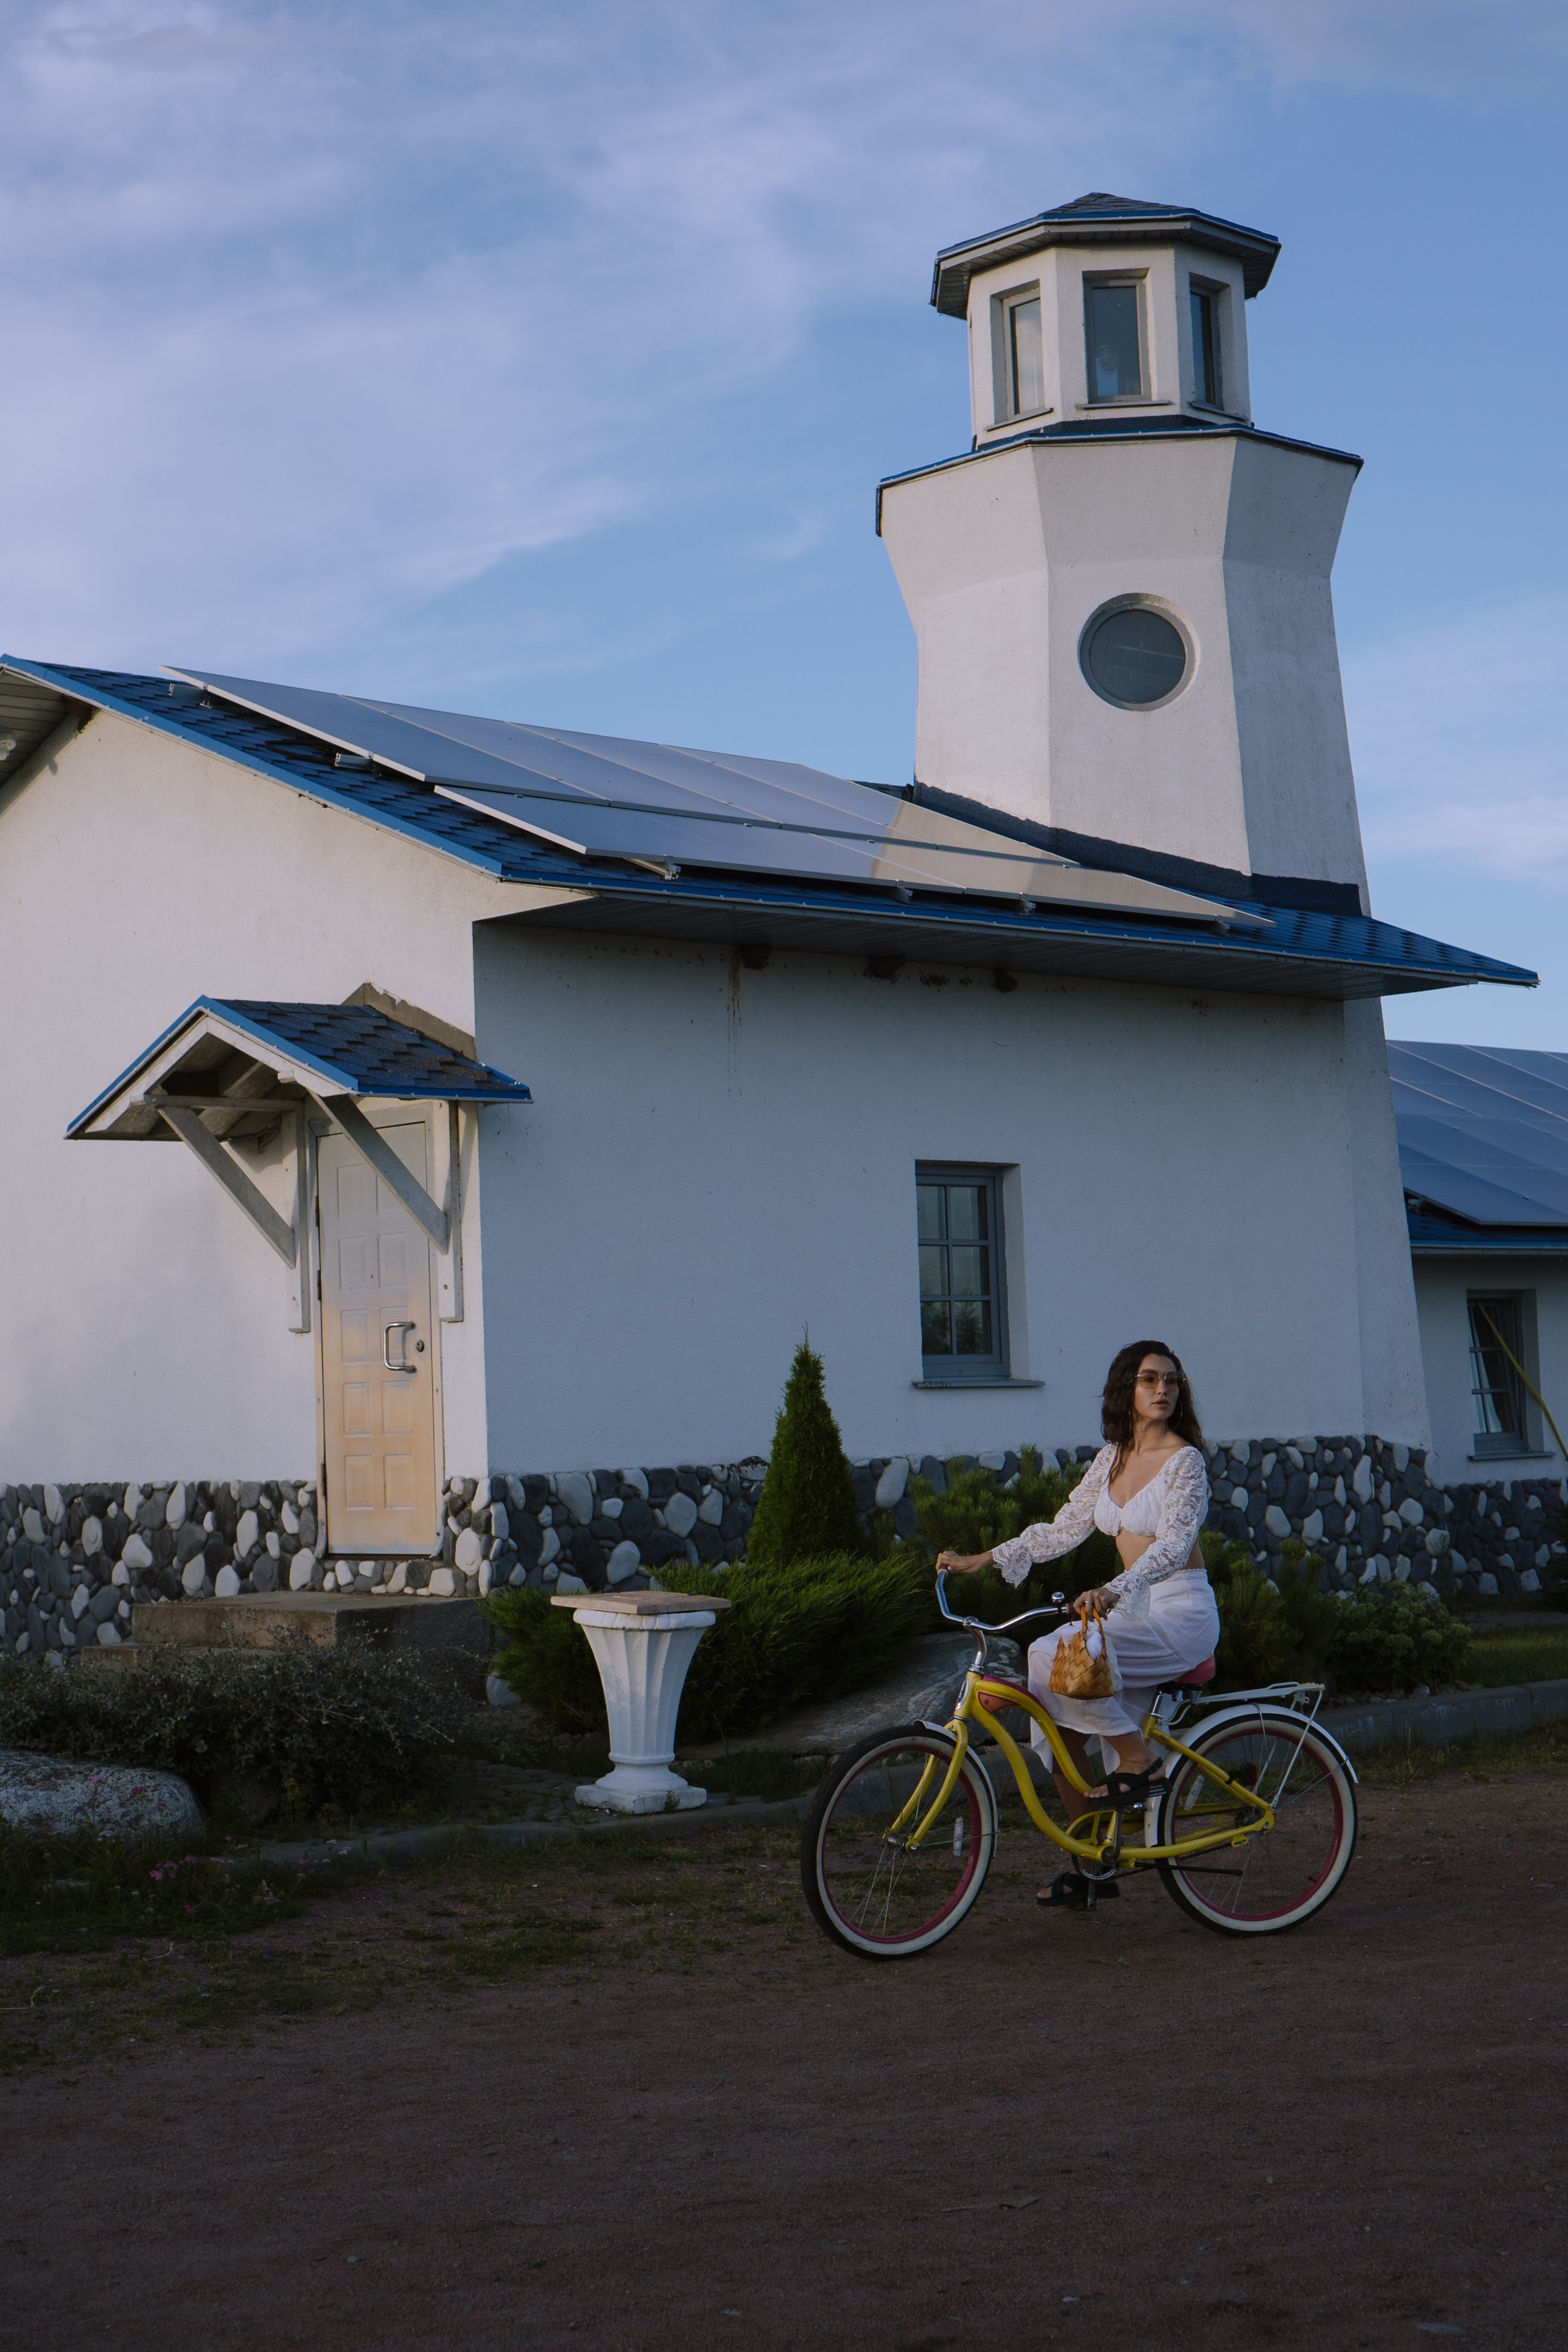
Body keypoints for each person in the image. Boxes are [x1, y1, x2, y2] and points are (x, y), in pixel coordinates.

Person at [935, 1340, 1219, 1909]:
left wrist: (1113, 1588)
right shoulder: (1112, 1457)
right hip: (1134, 1612)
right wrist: (982, 1559)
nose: (1163, 1390)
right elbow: (1061, 1530)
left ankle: (1138, 1760)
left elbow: (1172, 1546)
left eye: (1172, 1381)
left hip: (1179, 1614)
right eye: (1149, 1380)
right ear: (1127, 1390)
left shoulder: (1185, 1461)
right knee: (1059, 1728)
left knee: (1049, 1651)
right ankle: (1093, 1865)